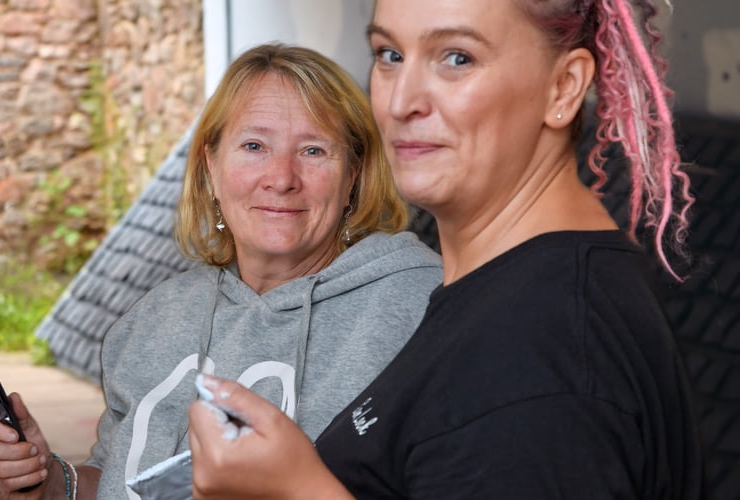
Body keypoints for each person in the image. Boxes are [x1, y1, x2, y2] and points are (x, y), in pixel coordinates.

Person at [187, 0, 705, 498]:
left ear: (563, 88)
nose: (399, 102)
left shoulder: (534, 359)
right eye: (389, 55)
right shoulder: (515, 291)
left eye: (457, 58)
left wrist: (296, 490)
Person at [0, 43, 442, 499]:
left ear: (353, 176)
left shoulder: (420, 306)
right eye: (253, 146)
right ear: (211, 166)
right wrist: (48, 483)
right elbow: (114, 481)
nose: (281, 177)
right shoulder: (154, 319)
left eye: (312, 149)